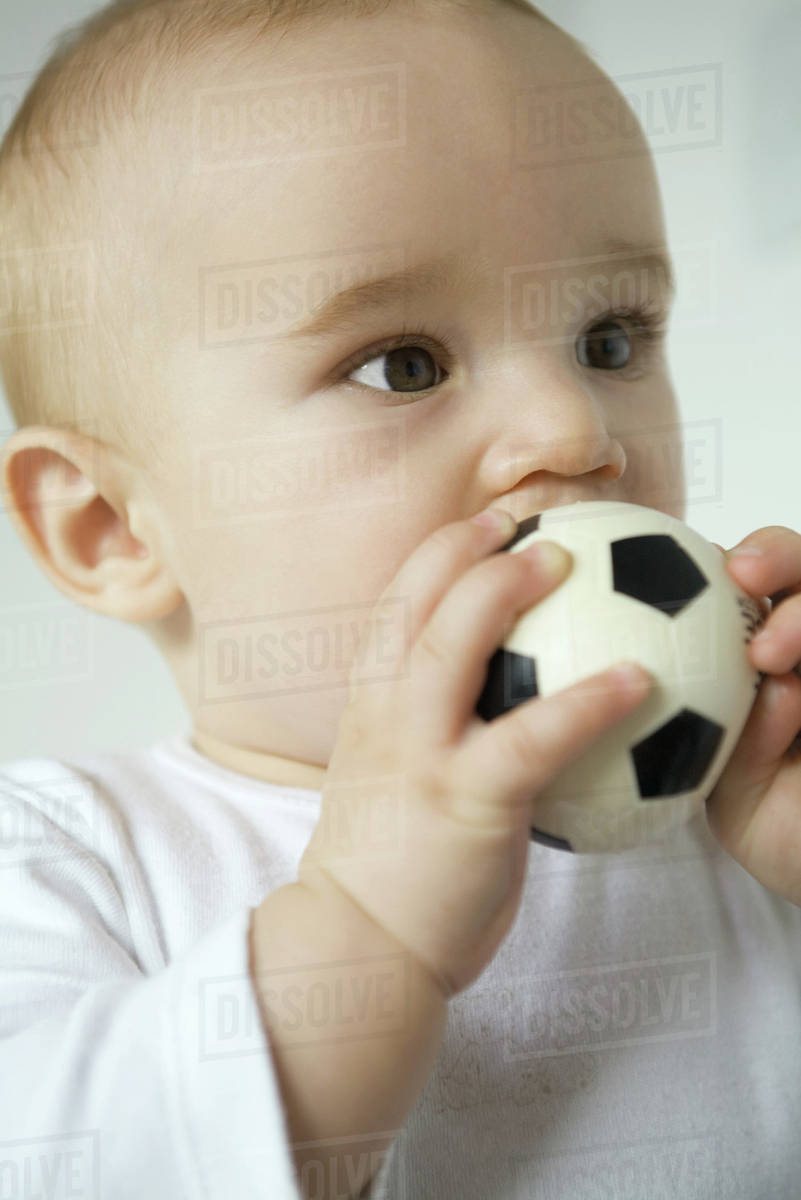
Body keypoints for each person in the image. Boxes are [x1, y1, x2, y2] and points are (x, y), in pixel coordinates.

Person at [2, 1, 801, 1196]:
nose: (574, 430)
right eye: (404, 365)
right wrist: (366, 932)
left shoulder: (739, 815)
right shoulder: (66, 859)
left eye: (609, 339)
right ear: (112, 528)